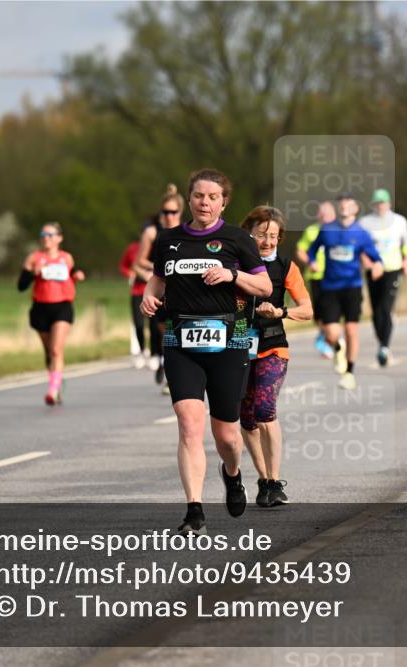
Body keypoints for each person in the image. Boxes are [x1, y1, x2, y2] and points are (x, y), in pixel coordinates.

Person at [140, 169, 273, 535]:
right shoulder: (169, 240)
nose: (205, 203)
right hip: (180, 340)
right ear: (189, 199)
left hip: (228, 342)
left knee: (227, 436)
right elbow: (158, 278)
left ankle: (232, 474)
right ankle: (194, 510)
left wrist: (232, 276)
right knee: (188, 425)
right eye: (199, 196)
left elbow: (263, 285)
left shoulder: (237, 239)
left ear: (223, 202)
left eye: (213, 197)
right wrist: (149, 297)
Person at [239, 206, 313, 507]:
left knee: (265, 408)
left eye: (273, 236)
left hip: (273, 345)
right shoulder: (236, 263)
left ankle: (274, 478)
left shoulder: (286, 266)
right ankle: (263, 479)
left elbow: (308, 309)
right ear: (248, 234)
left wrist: (281, 311)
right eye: (261, 235)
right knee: (246, 418)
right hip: (239, 346)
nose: (267, 242)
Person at [306, 193, 384, 390]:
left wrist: (377, 267)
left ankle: (349, 372)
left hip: (352, 287)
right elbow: (312, 250)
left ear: (356, 209)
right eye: (341, 203)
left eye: (349, 203)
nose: (344, 206)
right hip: (330, 287)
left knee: (351, 330)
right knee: (331, 334)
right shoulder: (327, 230)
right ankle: (338, 349)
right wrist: (312, 262)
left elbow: (376, 258)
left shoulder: (361, 233)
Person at [17, 222, 85, 405]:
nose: (46, 238)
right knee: (49, 352)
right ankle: (57, 379)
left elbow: (71, 276)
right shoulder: (34, 258)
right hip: (41, 308)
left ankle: (52, 391)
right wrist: (33, 274)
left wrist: (77, 276)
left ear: (59, 238)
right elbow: (21, 286)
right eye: (43, 234)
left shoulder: (66, 258)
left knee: (56, 349)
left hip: (62, 306)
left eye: (50, 234)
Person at [137, 185, 186, 392]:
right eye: (165, 212)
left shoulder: (188, 232)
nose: (169, 216)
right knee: (167, 334)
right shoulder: (152, 233)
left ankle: (171, 373)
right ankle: (167, 368)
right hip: (159, 291)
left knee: (180, 333)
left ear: (181, 213)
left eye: (173, 212)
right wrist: (155, 273)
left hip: (181, 292)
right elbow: (138, 263)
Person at [359, 188, 407, 367]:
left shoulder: (399, 221)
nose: (381, 206)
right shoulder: (365, 222)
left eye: (383, 202)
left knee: (386, 308)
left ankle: (384, 346)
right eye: (377, 203)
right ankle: (382, 342)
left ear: (389, 203)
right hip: (374, 269)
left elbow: (406, 244)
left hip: (392, 268)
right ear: (373, 205)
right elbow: (360, 248)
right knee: (376, 312)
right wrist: (368, 263)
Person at [295, 201, 334, 359]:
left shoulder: (338, 230)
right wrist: (310, 262)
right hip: (315, 277)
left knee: (330, 310)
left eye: (328, 213)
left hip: (333, 277)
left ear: (333, 215)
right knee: (316, 313)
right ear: (318, 215)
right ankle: (324, 334)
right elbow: (300, 251)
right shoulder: (311, 231)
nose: (325, 216)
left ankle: (328, 340)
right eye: (322, 213)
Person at [119, 226, 150, 368]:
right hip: (137, 291)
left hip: (154, 291)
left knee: (156, 325)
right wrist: (129, 274)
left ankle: (156, 353)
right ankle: (141, 351)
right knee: (139, 323)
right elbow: (123, 266)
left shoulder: (157, 246)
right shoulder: (132, 248)